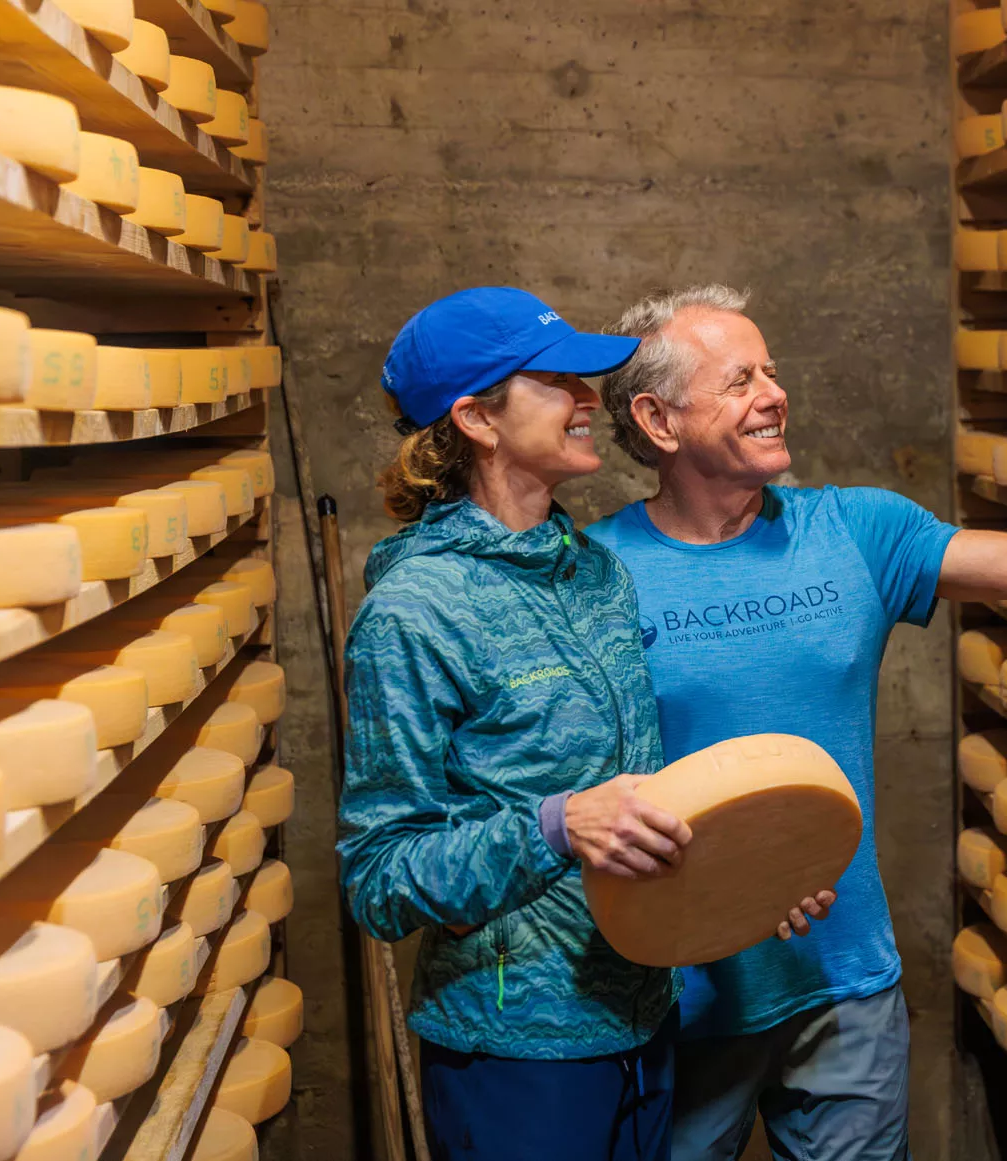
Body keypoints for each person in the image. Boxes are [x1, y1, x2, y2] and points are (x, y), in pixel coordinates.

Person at [586, 284, 1007, 1160]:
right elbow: (575, 789)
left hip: (843, 975)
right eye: (740, 380)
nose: (774, 394)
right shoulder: (593, 575)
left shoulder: (855, 530)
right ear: (658, 421)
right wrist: (730, 879)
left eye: (772, 372)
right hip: (679, 991)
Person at [336, 287, 694, 1161]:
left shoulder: (595, 574)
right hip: (515, 1051)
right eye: (556, 381)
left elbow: (637, 804)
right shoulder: (415, 612)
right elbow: (381, 879)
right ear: (475, 418)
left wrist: (758, 867)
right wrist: (555, 824)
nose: (586, 401)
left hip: (645, 1020)